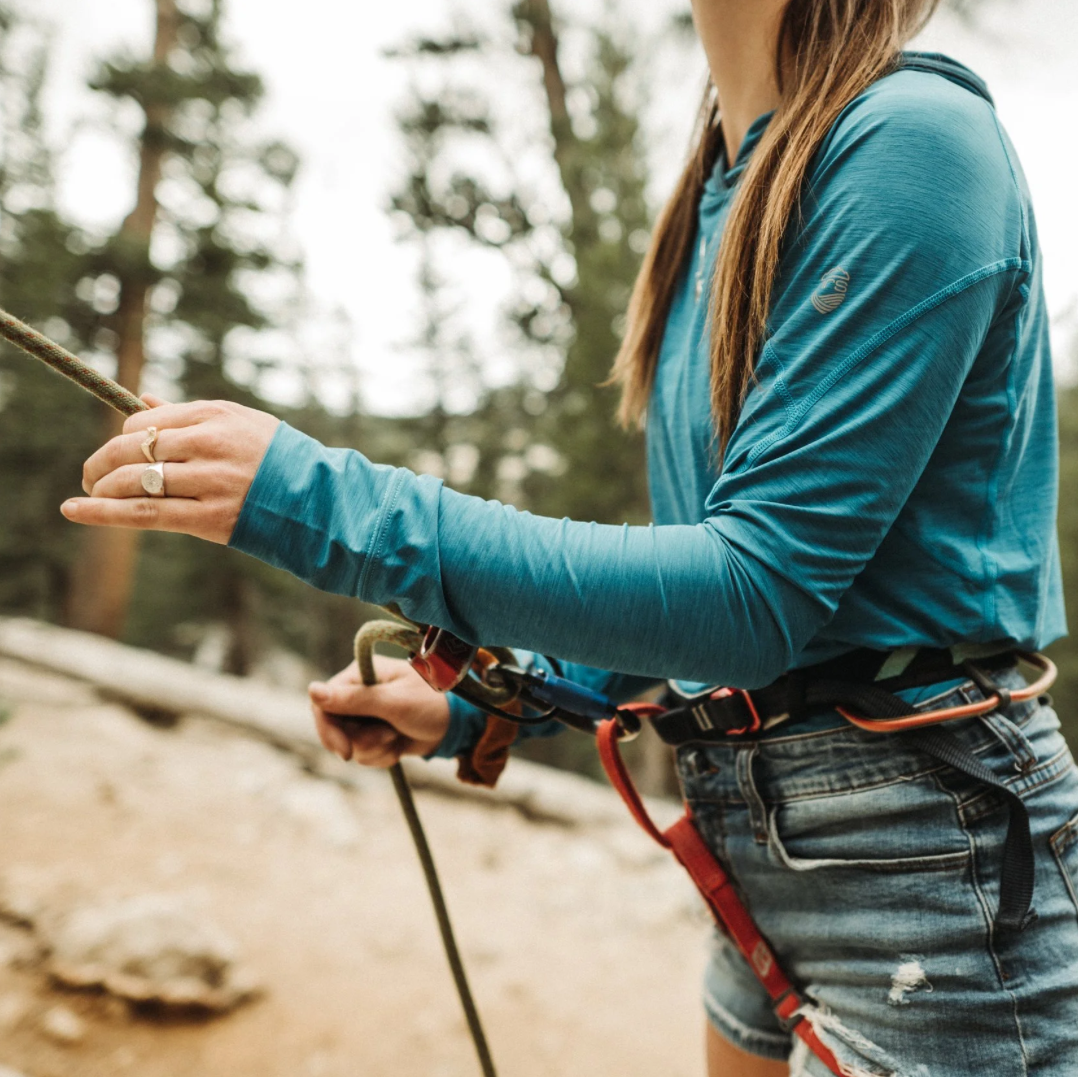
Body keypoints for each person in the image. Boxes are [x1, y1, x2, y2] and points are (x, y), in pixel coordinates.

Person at [62, 0, 1078, 1073]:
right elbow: (723, 572)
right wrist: (480, 698)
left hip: (928, 863)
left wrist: (317, 502)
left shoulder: (910, 143)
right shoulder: (725, 180)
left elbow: (752, 595)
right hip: (752, 828)